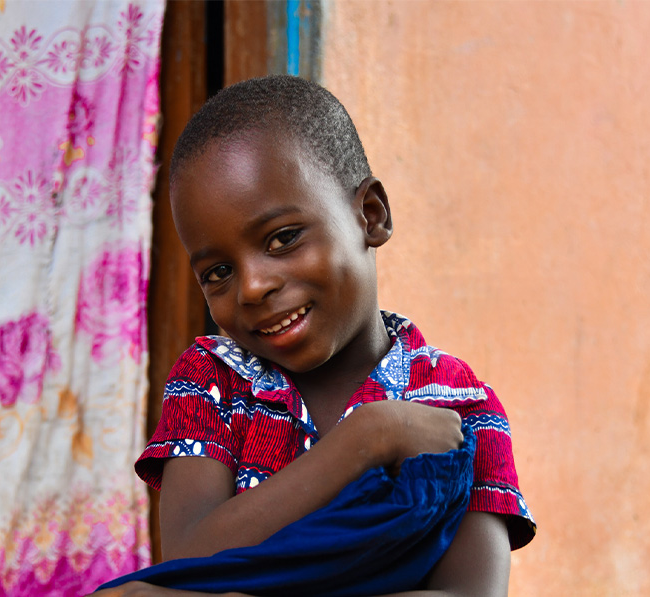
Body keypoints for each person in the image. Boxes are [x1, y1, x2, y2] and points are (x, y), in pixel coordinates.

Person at [93, 75, 535, 596]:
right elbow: (193, 560)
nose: (253, 287)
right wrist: (367, 440)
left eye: (282, 238)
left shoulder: (459, 402)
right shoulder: (209, 380)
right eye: (217, 273)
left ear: (370, 216)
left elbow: (471, 595)